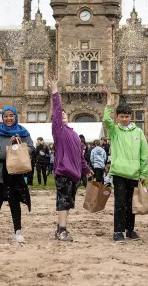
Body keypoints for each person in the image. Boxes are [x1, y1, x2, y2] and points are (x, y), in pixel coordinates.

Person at [101, 86, 148, 243]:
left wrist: (143, 173)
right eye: (121, 116)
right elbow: (106, 121)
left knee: (131, 203)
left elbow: (144, 154)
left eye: (127, 116)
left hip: (134, 173)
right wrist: (109, 104)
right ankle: (118, 231)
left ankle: (130, 230)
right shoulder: (114, 131)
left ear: (130, 116)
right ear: (117, 118)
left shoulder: (138, 132)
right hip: (119, 173)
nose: (124, 119)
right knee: (120, 203)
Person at [48, 79, 93, 241]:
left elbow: (79, 156)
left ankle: (60, 228)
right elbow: (57, 109)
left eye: (65, 113)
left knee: (68, 203)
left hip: (75, 175)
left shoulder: (73, 134)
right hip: (63, 172)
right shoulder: (58, 130)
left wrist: (86, 170)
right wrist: (55, 91)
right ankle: (62, 230)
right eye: (60, 114)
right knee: (63, 201)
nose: (63, 114)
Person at [0, 106, 33, 244]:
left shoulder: (22, 132)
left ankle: (18, 231)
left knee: (14, 201)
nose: (9, 118)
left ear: (16, 116)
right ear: (2, 117)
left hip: (15, 170)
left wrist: (17, 143)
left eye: (11, 115)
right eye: (6, 116)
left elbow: (30, 149)